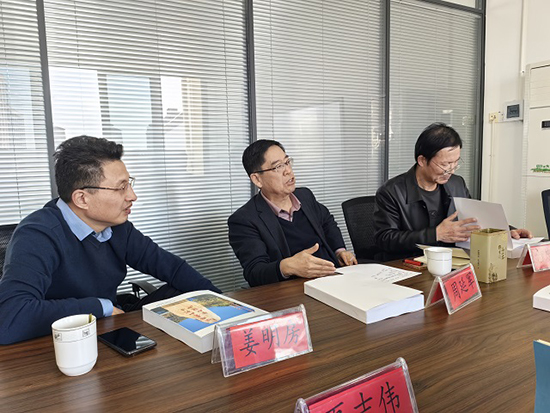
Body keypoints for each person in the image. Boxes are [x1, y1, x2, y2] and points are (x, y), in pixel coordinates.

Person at [0, 136, 220, 344]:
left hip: (108, 327)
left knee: (186, 293)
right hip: (60, 342)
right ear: (82, 198)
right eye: (121, 187)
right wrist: (98, 307)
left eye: (129, 184)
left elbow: (171, 268)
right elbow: (10, 317)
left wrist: (222, 303)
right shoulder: (38, 234)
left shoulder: (117, 227)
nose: (132, 196)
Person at [374, 123, 532, 260]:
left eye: (455, 163)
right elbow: (384, 239)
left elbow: (473, 221)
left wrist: (506, 232)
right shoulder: (391, 191)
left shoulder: (457, 184)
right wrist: (436, 234)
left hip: (453, 261)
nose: (450, 170)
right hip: (410, 265)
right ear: (422, 160)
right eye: (445, 164)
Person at [228, 139, 357, 287]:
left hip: (335, 278)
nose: (288, 171)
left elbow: (328, 223)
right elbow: (254, 272)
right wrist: (287, 267)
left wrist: (339, 251)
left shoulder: (305, 196)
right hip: (295, 289)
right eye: (278, 166)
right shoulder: (244, 220)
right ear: (257, 179)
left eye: (287, 162)